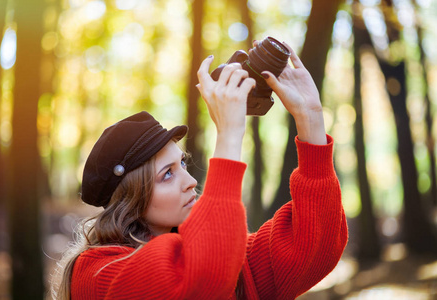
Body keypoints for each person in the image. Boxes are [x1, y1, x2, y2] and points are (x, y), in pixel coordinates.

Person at [52, 41, 348, 300]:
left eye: (182, 163)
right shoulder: (98, 274)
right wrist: (229, 135)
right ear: (131, 197)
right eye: (167, 174)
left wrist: (310, 119)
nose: (191, 181)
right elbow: (200, 280)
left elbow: (313, 247)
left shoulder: (220, 253)